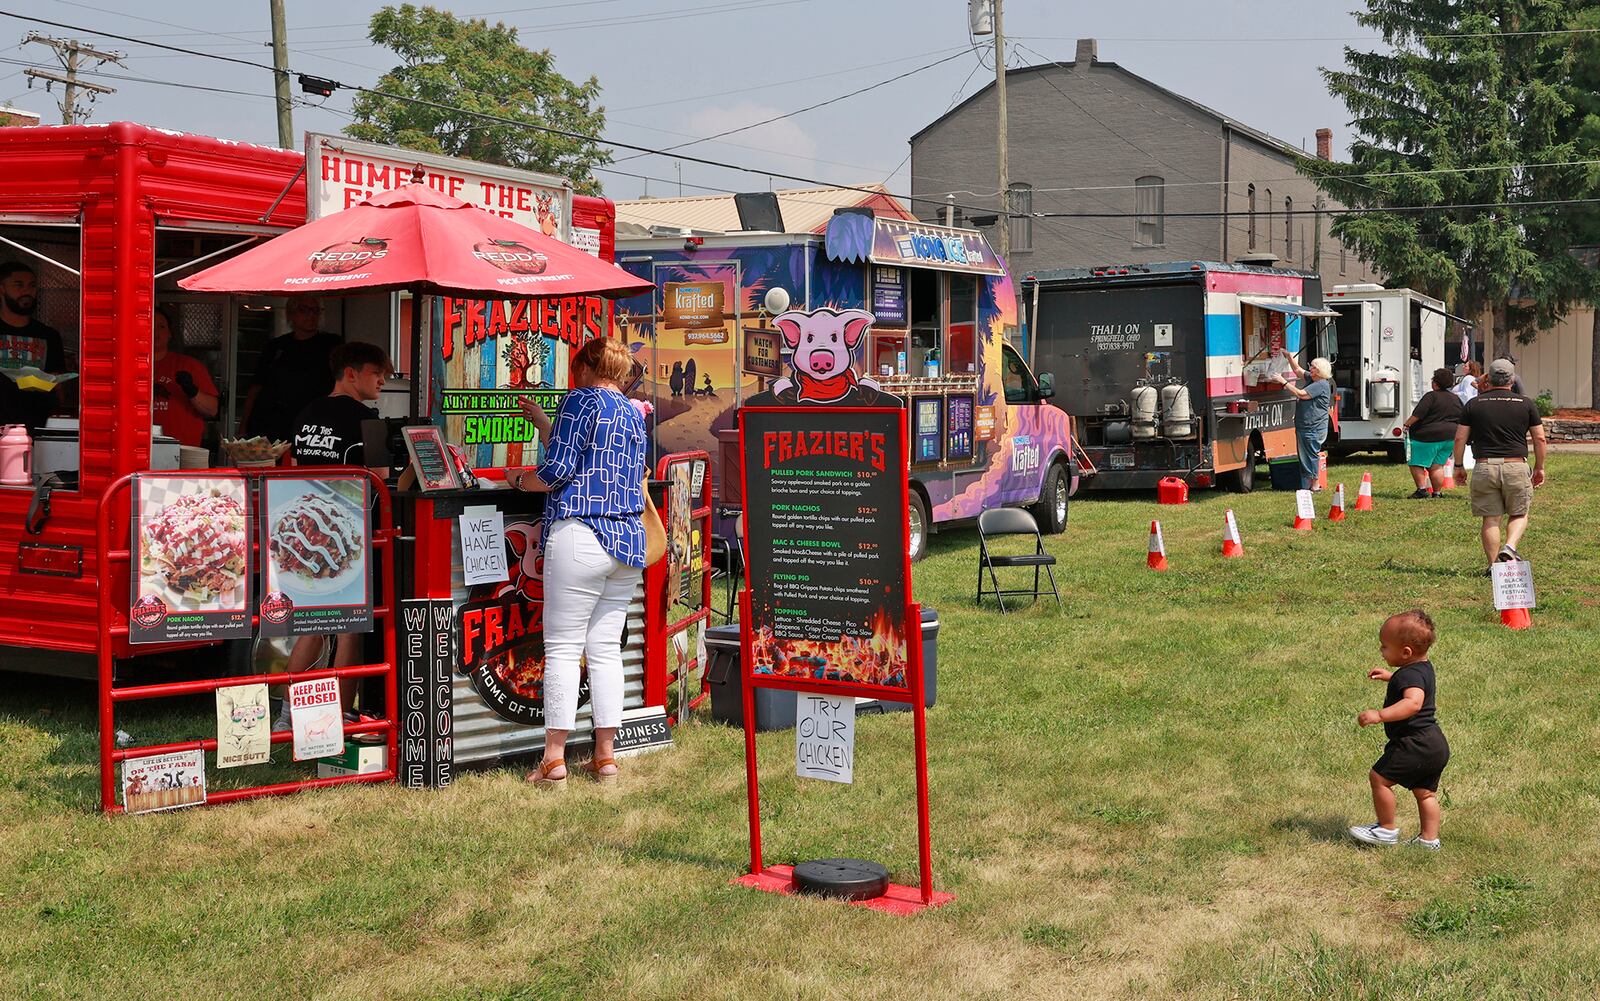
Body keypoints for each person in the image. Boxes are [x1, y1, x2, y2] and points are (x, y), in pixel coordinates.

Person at [509, 338, 647, 787]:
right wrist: (546, 425)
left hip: (581, 532)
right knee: (606, 649)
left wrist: (518, 480)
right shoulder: (630, 409)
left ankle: (554, 759)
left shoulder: (579, 399)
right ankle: (605, 757)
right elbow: (595, 459)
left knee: (564, 649)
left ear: (586, 367)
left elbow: (557, 472)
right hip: (626, 538)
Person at [273, 341, 391, 729]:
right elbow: (383, 481)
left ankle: (288, 714)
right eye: (377, 373)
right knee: (350, 627)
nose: (383, 381)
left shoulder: (305, 414)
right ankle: (338, 715)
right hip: (348, 536)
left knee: (313, 624)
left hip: (304, 533)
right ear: (351, 373)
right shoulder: (367, 419)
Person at [1351, 609, 1449, 850]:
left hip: (1413, 743)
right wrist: (1391, 677)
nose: (1381, 651)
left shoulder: (1410, 676)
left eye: (1384, 646)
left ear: (1406, 652)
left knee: (1379, 779)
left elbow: (1414, 702)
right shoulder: (1421, 668)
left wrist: (1380, 715)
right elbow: (1411, 679)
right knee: (1425, 794)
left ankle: (1385, 829)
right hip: (1434, 745)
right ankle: (1429, 840)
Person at [1453, 358, 1545, 573]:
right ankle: (1510, 547)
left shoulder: (1474, 404)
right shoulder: (1526, 403)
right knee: (1519, 513)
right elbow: (1540, 439)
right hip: (1516, 466)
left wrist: (1458, 465)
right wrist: (1540, 467)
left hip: (1484, 466)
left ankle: (1494, 567)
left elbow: (1459, 438)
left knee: (1491, 518)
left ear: (1489, 378)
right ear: (1512, 379)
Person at [241, 297, 342, 444]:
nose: (311, 315)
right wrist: (244, 425)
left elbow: (344, 381)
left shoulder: (332, 345)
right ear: (291, 314)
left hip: (314, 423)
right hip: (272, 422)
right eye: (304, 310)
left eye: (315, 310)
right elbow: (256, 387)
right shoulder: (276, 347)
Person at [0, 261, 65, 431]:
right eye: (18, 285)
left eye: (32, 285)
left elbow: (56, 383)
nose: (26, 291)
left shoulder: (49, 336)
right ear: (2, 289)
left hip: (37, 430)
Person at [151, 305, 218, 448]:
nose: (155, 331)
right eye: (150, 324)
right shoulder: (127, 365)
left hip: (183, 452)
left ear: (169, 333)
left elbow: (212, 410)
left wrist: (192, 390)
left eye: (161, 326)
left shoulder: (190, 366)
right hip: (137, 451)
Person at [1272, 349, 1335, 491]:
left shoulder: (1321, 384)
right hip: (1306, 426)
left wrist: (1283, 382)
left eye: (1313, 367)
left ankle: (1315, 485)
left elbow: (1302, 394)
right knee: (1306, 455)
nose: (1310, 369)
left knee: (1310, 455)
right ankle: (1310, 484)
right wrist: (1288, 356)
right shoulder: (1313, 379)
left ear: (1319, 371)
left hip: (1313, 427)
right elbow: (1298, 370)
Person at [1401, 367, 1463, 499]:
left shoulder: (1431, 396)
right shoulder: (1455, 398)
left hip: (1427, 437)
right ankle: (1437, 493)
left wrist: (1407, 424)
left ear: (1435, 382)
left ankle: (1422, 490)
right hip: (1449, 438)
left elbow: (1418, 414)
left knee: (1416, 462)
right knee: (1437, 466)